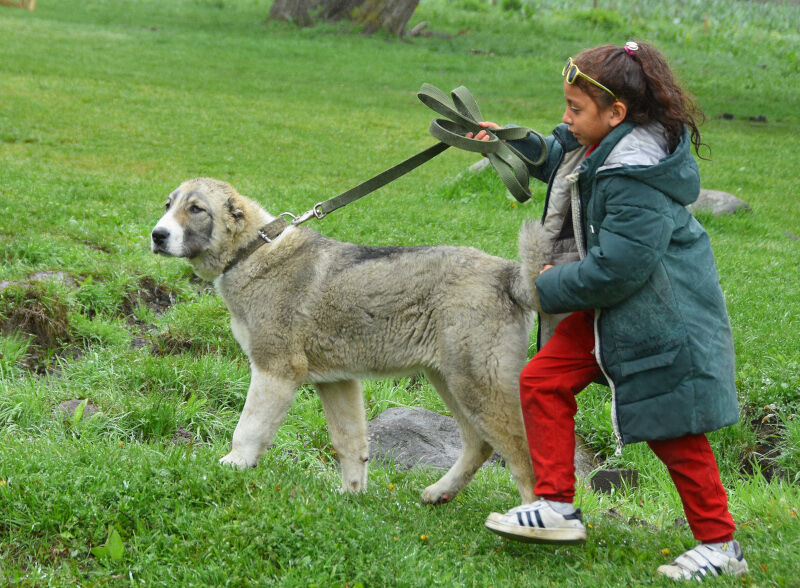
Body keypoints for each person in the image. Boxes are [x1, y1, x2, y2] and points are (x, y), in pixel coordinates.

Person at [468, 41, 748, 581]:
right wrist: (514, 142)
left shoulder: (635, 178)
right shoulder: (600, 148)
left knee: (676, 432)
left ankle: (721, 547)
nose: (565, 119)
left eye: (575, 110)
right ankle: (555, 507)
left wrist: (552, 284)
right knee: (543, 380)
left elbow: (620, 269)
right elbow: (561, 157)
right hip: (612, 316)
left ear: (616, 114)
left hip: (661, 321)